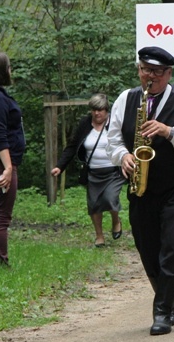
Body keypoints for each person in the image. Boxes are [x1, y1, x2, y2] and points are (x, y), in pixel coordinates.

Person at [106, 46, 174, 335]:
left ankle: (162, 310)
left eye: (156, 72)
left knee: (172, 247)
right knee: (147, 247)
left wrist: (168, 131)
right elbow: (113, 141)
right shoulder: (125, 99)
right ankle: (167, 299)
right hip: (140, 186)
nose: (149, 76)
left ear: (168, 73)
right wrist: (122, 156)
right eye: (144, 70)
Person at [51, 94, 126, 247]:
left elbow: (126, 141)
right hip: (93, 172)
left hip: (113, 171)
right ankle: (99, 236)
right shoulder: (85, 124)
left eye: (100, 110)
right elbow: (72, 146)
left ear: (107, 110)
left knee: (110, 198)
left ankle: (116, 220)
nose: (97, 113)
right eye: (94, 110)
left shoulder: (115, 123)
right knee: (94, 204)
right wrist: (60, 166)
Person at [0, 51, 25, 266]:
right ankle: (0, 262)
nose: (11, 71)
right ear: (1, 70)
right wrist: (8, 167)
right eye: (9, 67)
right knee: (1, 216)